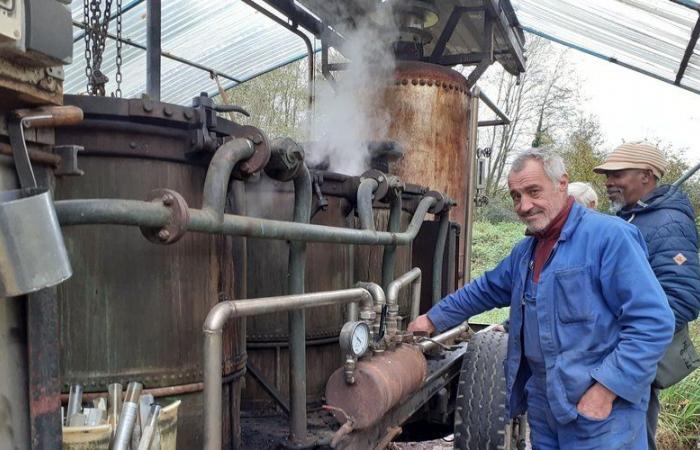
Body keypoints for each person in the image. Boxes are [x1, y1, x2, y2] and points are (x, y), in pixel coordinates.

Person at [408, 147, 675, 449]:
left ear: (562, 183)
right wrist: (431, 319)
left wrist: (606, 390)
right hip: (544, 404)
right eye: (515, 196)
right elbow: (484, 289)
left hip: (602, 413)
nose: (524, 205)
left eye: (534, 191)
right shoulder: (527, 252)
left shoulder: (609, 238)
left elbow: (654, 323)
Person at [594, 141, 700, 450]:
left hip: (631, 361)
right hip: (616, 357)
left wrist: (628, 343)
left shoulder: (667, 222)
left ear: (647, 175)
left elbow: (682, 297)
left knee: (631, 438)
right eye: (607, 176)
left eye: (618, 174)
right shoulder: (632, 218)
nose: (609, 183)